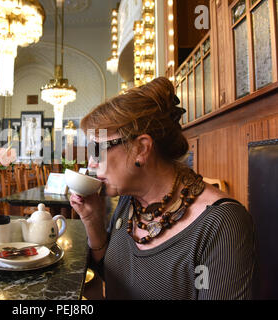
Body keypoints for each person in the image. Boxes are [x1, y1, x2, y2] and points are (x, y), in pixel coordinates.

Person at [69, 77, 255, 300]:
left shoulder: (221, 223)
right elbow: (114, 278)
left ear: (141, 148)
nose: (90, 162)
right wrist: (92, 221)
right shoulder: (131, 202)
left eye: (97, 149)